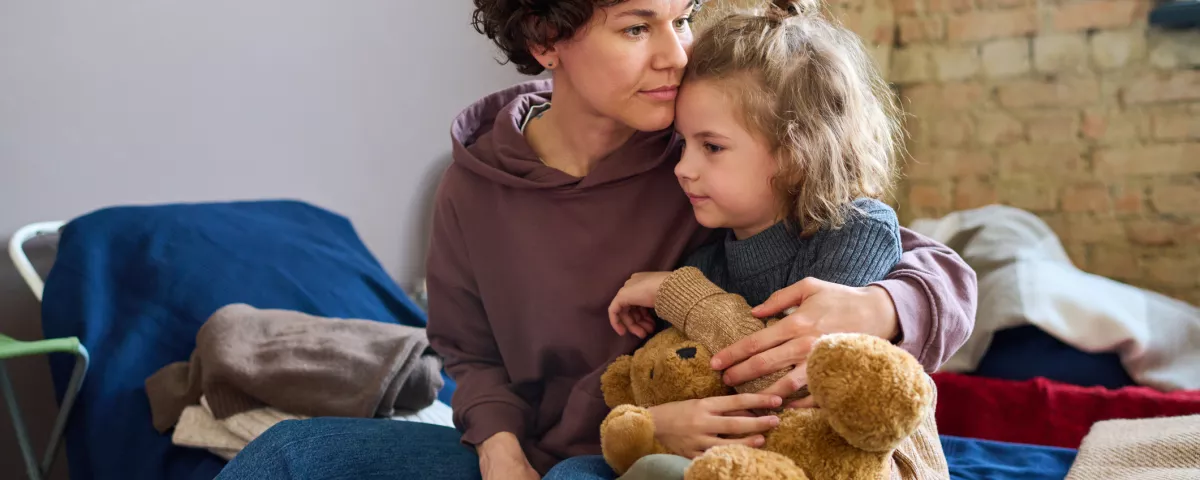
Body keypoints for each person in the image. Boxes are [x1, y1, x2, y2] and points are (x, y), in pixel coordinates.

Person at [214, 1, 976, 479]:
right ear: (549, 38)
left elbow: (920, 262)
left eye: (681, 17)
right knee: (293, 453)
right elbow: (469, 354)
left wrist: (877, 309)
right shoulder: (473, 187)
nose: (677, 53)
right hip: (556, 450)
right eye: (637, 27)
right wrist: (497, 446)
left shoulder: (706, 153)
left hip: (674, 453)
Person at [605, 2, 949, 477]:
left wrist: (678, 295)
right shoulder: (709, 261)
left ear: (795, 154)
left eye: (712, 147)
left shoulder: (857, 230)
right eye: (684, 144)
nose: (683, 168)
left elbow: (795, 383)